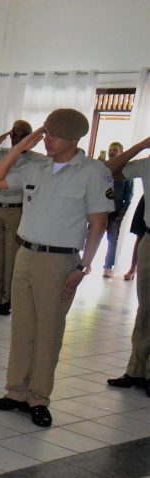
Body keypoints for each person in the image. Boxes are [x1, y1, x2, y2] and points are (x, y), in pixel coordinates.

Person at [0, 109, 110, 427]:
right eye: (46, 133)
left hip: (60, 260)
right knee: (21, 328)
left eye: (53, 135)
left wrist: (84, 266)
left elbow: (98, 224)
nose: (47, 140)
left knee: (48, 331)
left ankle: (39, 398)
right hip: (25, 253)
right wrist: (18, 148)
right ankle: (15, 392)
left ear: (74, 139)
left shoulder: (93, 172)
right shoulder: (35, 166)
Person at [0, 120, 44, 315]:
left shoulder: (36, 160)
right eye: (14, 134)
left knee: (11, 257)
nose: (17, 138)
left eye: (22, 135)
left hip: (17, 211)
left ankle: (8, 299)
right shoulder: (0, 155)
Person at [103, 133, 150, 395]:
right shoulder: (147, 163)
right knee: (145, 308)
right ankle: (136, 370)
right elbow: (110, 170)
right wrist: (141, 146)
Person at [102, 142, 134, 278]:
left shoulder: (126, 169)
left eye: (115, 150)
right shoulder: (102, 167)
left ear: (121, 152)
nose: (111, 152)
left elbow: (129, 192)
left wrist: (124, 210)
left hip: (115, 209)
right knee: (89, 235)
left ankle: (108, 267)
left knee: (112, 239)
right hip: (99, 208)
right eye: (110, 149)